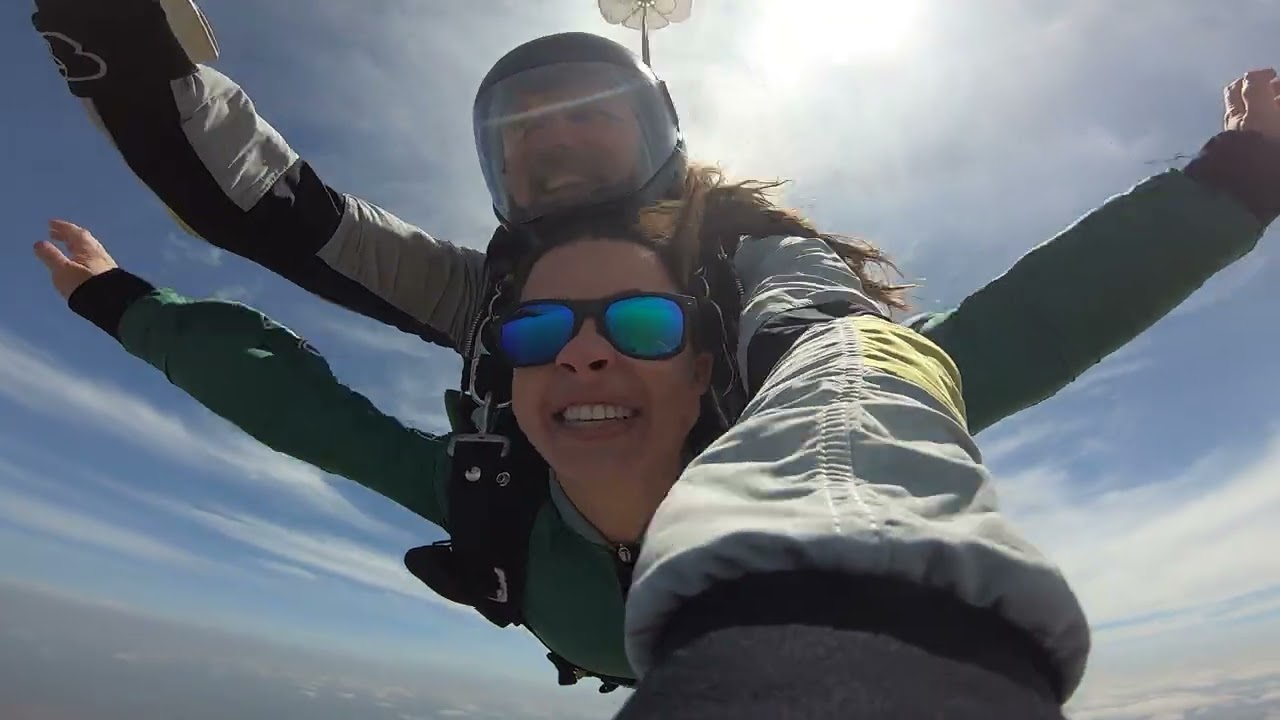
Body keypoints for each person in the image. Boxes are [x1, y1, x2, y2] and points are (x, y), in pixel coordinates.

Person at [39, 170, 1087, 717]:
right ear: (513, 376)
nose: (582, 357)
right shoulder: (486, 502)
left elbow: (1031, 322)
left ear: (697, 370)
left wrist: (1235, 174)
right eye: (540, 331)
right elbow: (298, 407)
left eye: (637, 323)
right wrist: (124, 303)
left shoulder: (819, 441)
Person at [29, 0, 1279, 435]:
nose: (558, 142)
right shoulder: (484, 298)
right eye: (526, 134)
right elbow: (288, 219)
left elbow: (965, 346)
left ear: (658, 143)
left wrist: (1236, 177)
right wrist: (129, 53)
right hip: (567, 582)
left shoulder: (752, 263)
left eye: (591, 118)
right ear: (496, 178)